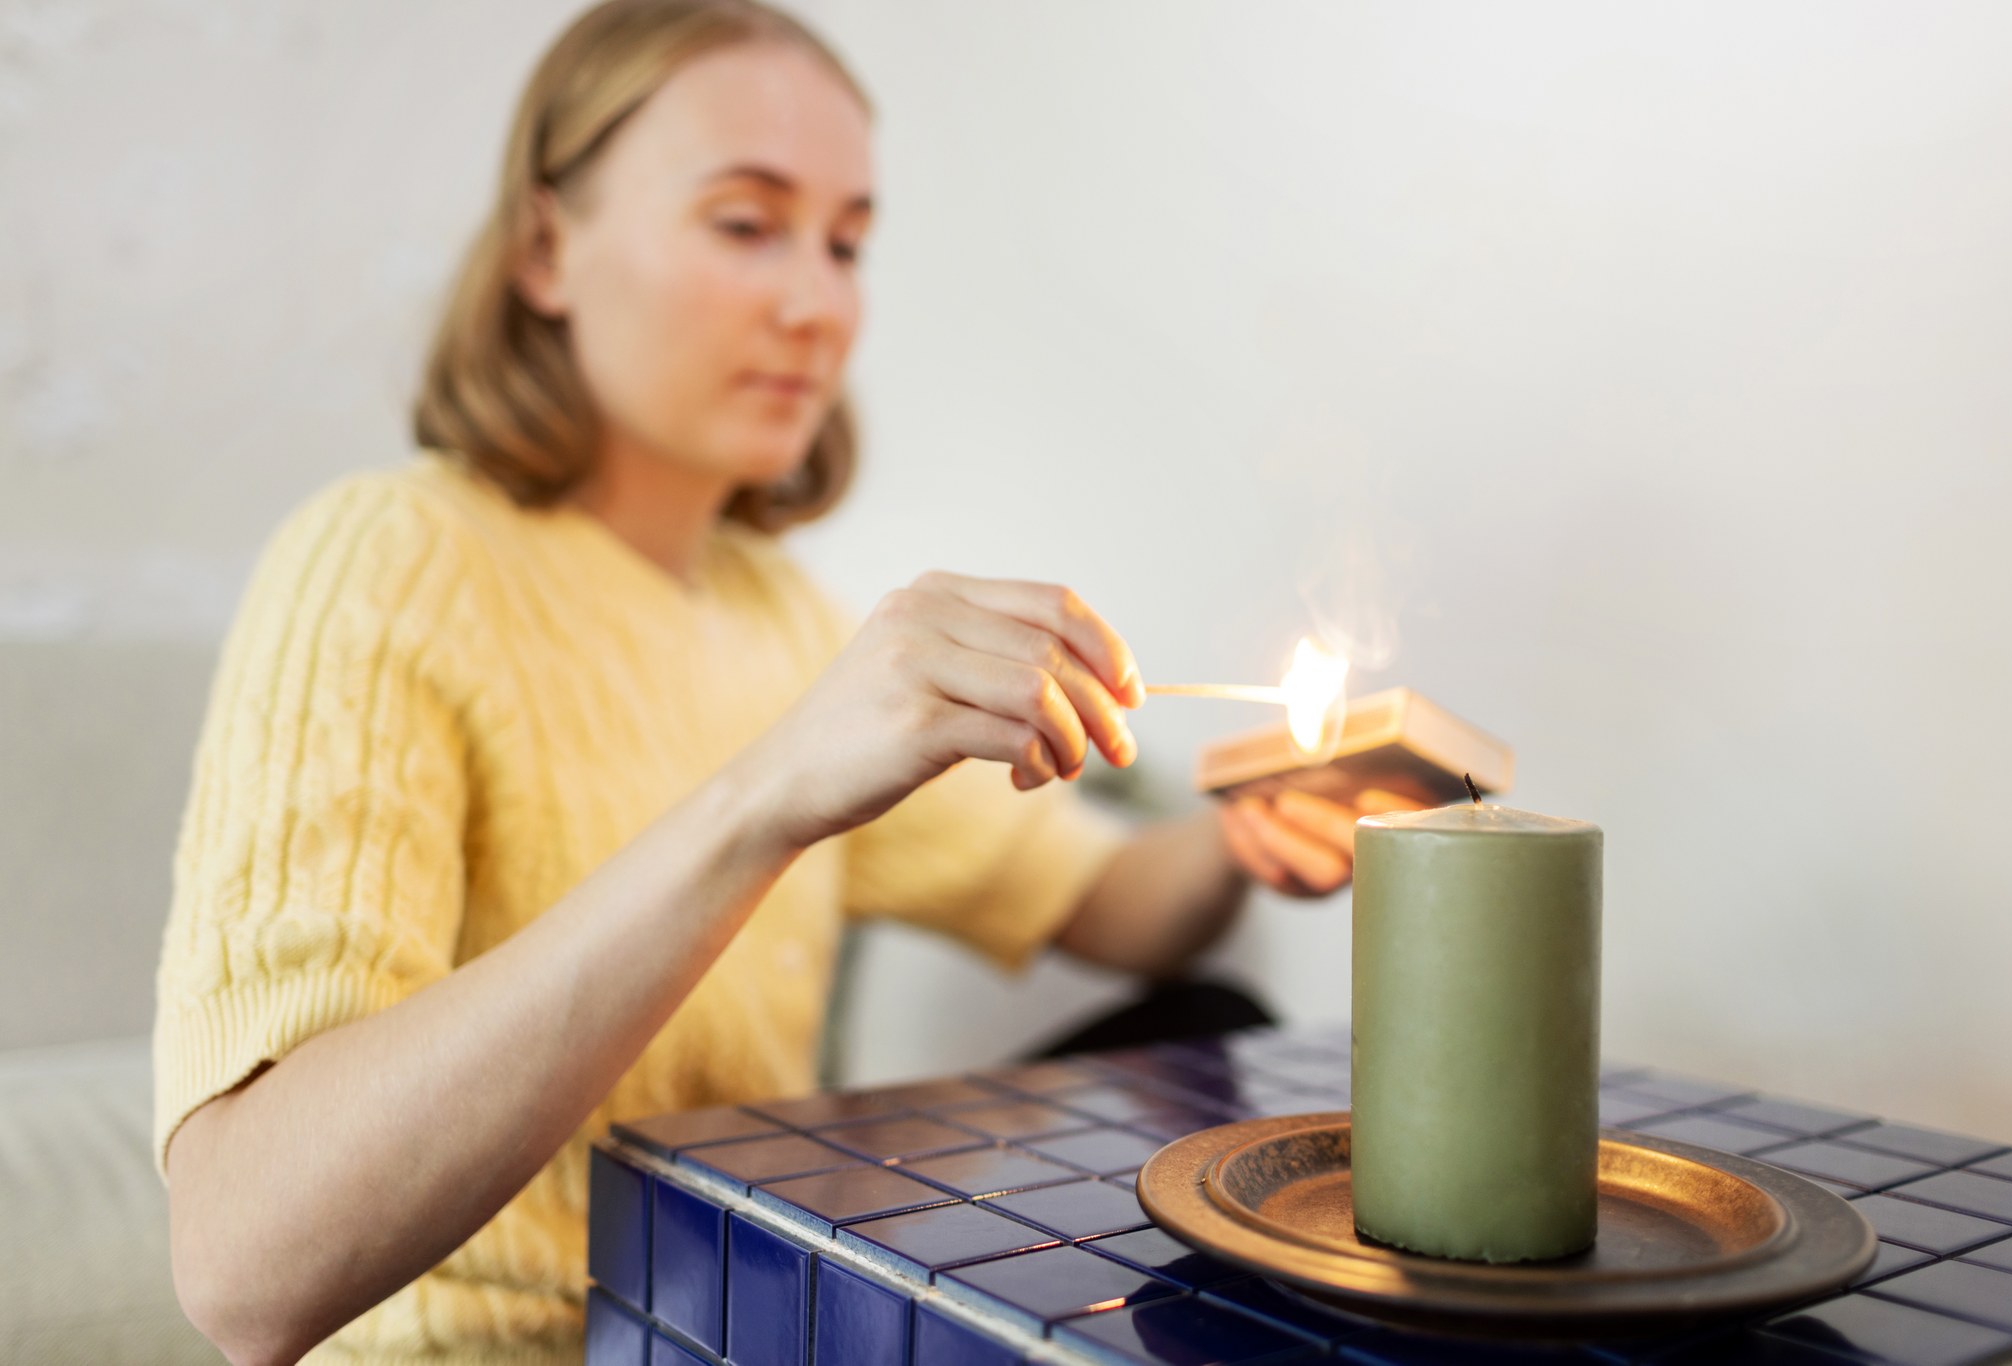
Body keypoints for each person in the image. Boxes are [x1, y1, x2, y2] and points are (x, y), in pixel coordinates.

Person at [152, 3, 1396, 1361]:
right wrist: (767, 793)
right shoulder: (390, 560)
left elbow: (1109, 903)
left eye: (847, 242)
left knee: (1212, 1032)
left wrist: (1244, 828)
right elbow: (243, 1265)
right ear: (545, 249)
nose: (817, 304)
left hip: (739, 1329)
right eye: (747, 224)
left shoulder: (781, 623)